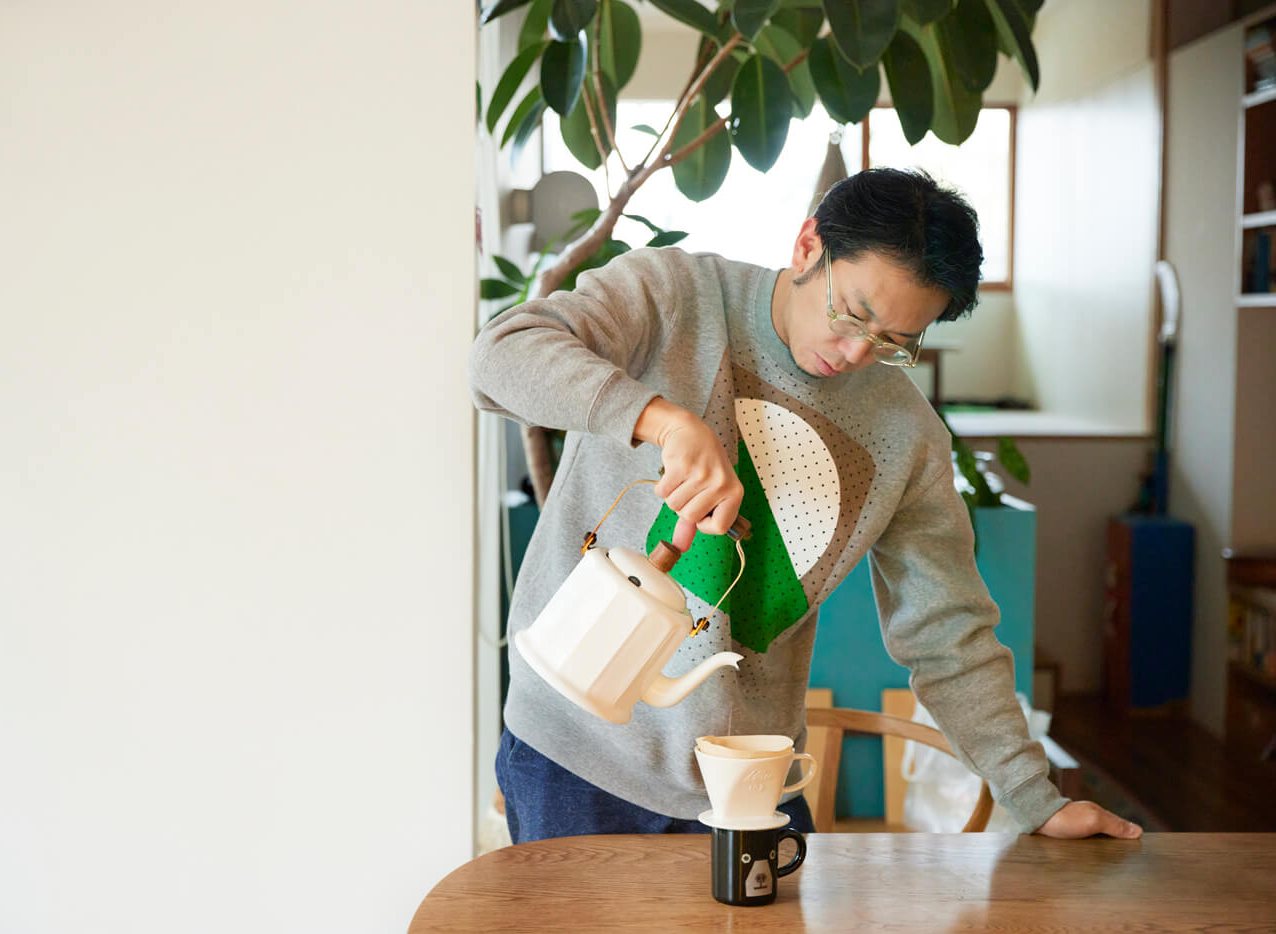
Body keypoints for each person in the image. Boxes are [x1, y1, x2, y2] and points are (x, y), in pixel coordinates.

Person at [470, 168, 1140, 844]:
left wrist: (1036, 799)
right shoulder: (673, 294)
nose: (855, 353)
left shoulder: (907, 436)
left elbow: (947, 631)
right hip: (574, 754)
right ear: (808, 246)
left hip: (750, 774)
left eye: (894, 342)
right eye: (853, 314)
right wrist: (662, 420)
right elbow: (499, 356)